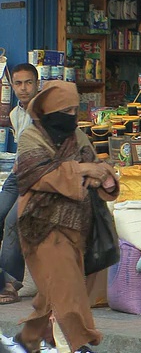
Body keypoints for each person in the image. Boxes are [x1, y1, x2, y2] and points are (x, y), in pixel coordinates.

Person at [13, 81, 119, 353]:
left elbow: (95, 167)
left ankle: (27, 339)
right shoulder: (31, 139)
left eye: (75, 110)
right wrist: (81, 170)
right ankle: (82, 343)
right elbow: (37, 176)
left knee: (56, 289)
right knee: (67, 286)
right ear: (49, 111)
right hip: (41, 225)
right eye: (65, 110)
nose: (71, 116)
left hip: (79, 225)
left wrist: (102, 177)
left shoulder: (79, 137)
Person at [0, 63, 38, 305]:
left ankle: (10, 283)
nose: (23, 88)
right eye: (18, 83)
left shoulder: (47, 111)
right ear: (12, 87)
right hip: (17, 174)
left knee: (14, 220)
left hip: (39, 177)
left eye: (28, 83)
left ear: (37, 84)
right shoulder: (15, 114)